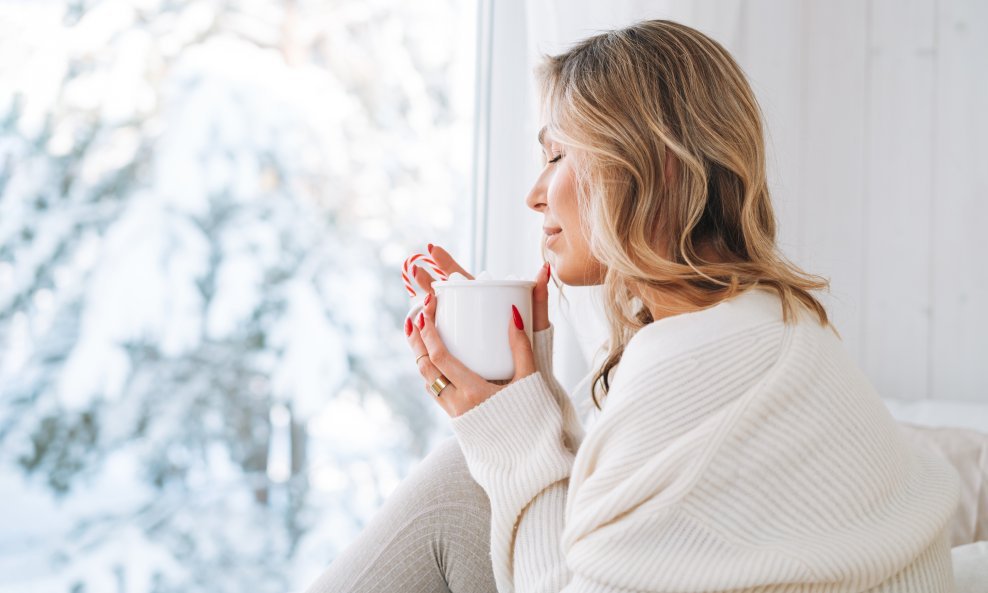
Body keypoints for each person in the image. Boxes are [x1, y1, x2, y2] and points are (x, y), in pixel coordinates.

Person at [305, 19, 960, 593]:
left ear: (660, 167)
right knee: (467, 475)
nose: (535, 195)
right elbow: (622, 534)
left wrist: (507, 424)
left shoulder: (695, 371)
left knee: (461, 482)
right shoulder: (773, 325)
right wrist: (517, 390)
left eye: (558, 154)